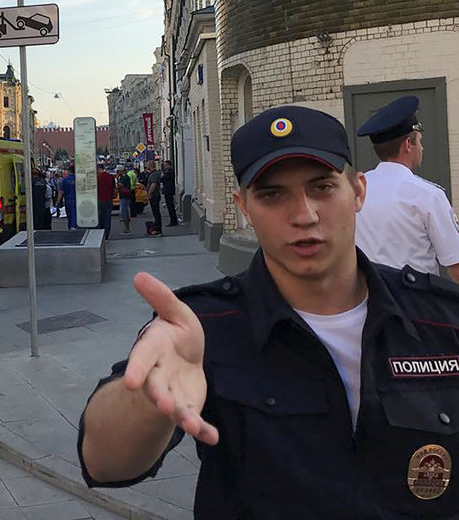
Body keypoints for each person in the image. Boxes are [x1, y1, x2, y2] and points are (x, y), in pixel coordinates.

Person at [78, 105, 459, 519]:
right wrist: (148, 401)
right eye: (272, 194)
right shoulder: (202, 328)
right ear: (244, 207)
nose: (304, 215)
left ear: (358, 191)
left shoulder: (439, 319)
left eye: (322, 187)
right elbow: (104, 463)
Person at [355, 96, 459, 282]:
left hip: (370, 299)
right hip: (416, 303)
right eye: (419, 141)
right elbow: (455, 264)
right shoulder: (428, 195)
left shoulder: (355, 191)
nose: (423, 148)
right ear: (408, 145)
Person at [96, 164, 116, 239]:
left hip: (99, 200)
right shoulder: (110, 176)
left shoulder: (97, 177)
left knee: (99, 219)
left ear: (98, 169)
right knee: (107, 218)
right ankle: (106, 235)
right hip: (108, 200)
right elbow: (114, 189)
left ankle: (100, 236)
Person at [56, 164, 77, 229]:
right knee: (75, 214)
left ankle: (71, 226)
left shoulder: (65, 180)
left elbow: (61, 191)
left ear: (69, 171)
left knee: (70, 215)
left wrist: (58, 201)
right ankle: (74, 226)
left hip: (68, 200)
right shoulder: (78, 179)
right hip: (77, 200)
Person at [160, 160, 179, 227]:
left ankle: (173, 221)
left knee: (170, 206)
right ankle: (173, 220)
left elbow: (163, 179)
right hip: (167, 190)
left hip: (169, 191)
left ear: (169, 165)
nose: (164, 167)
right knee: (169, 206)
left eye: (165, 165)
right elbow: (162, 179)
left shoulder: (170, 171)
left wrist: (162, 176)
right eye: (164, 165)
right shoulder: (167, 172)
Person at [146, 161, 162, 236]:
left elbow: (153, 184)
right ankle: (157, 228)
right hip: (154, 195)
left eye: (147, 165)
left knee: (156, 213)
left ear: (151, 165)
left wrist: (149, 194)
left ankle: (158, 229)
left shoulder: (154, 174)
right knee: (156, 213)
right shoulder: (153, 174)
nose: (146, 167)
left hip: (154, 196)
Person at [116, 166, 132, 235]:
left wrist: (117, 181)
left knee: (124, 212)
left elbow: (120, 185)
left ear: (121, 171)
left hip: (124, 196)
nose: (117, 173)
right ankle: (126, 228)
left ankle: (127, 228)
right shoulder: (125, 177)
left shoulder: (124, 177)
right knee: (125, 211)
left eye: (118, 171)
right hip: (125, 196)